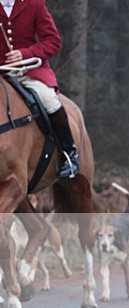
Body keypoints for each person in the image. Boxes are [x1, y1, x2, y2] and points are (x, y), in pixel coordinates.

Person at [0, 0, 79, 178]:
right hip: (1, 73)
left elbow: (53, 41)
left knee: (49, 100)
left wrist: (24, 53)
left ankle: (68, 154)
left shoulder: (34, 4)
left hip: (29, 71)